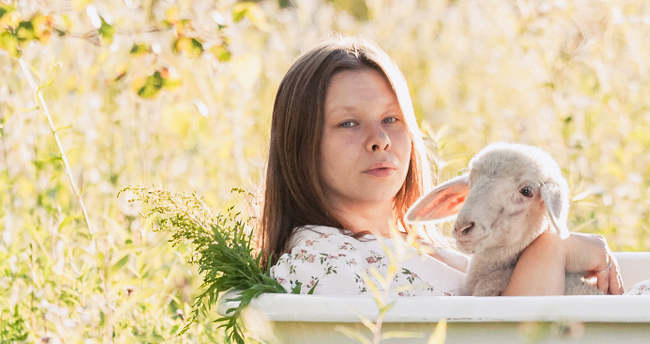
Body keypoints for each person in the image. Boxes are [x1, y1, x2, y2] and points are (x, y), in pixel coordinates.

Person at [259, 37, 622, 296]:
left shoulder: (432, 245)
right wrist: (552, 249)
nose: (380, 139)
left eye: (391, 119)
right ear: (301, 145)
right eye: (348, 123)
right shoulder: (321, 259)